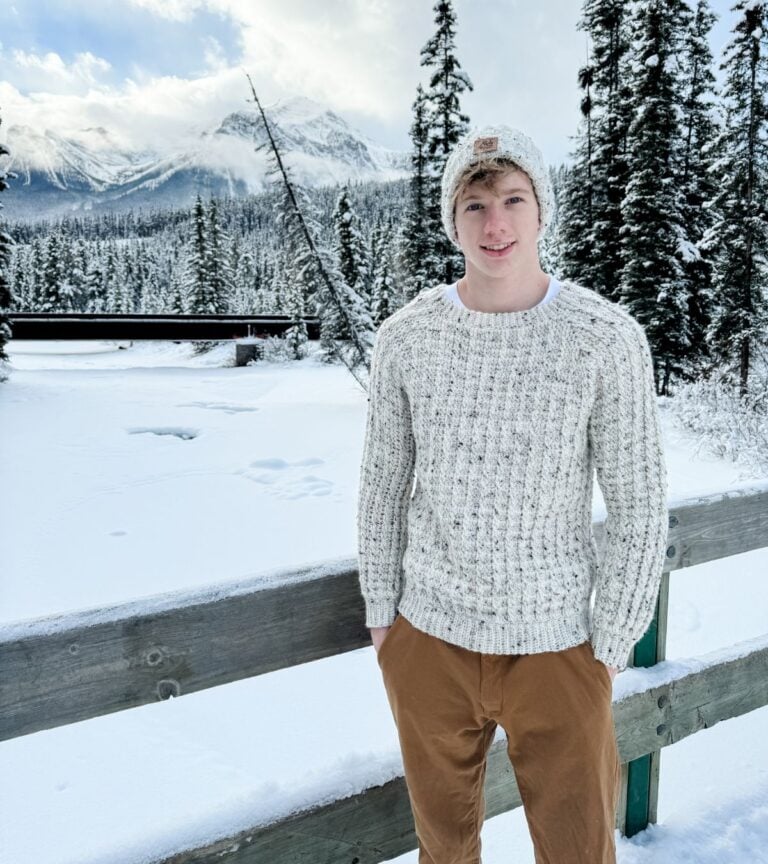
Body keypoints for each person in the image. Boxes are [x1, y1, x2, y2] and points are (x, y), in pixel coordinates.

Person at [356, 124, 669, 864]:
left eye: (512, 199)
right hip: (430, 639)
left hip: (558, 645)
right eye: (474, 204)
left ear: (540, 210)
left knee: (578, 850)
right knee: (444, 850)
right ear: (452, 219)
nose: (494, 223)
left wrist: (611, 643)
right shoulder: (407, 337)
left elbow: (639, 502)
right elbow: (383, 484)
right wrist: (384, 619)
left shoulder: (604, 336)